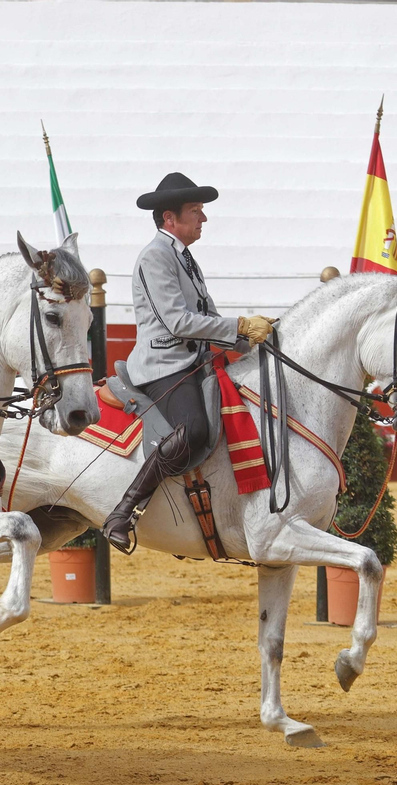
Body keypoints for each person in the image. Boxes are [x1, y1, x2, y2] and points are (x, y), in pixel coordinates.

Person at [100, 173, 275, 551]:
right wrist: (241, 324)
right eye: (196, 211)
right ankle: (124, 511)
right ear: (169, 219)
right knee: (193, 429)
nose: (203, 219)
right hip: (162, 367)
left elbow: (207, 316)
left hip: (191, 362)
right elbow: (177, 322)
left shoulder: (184, 257)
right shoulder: (155, 257)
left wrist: (254, 341)